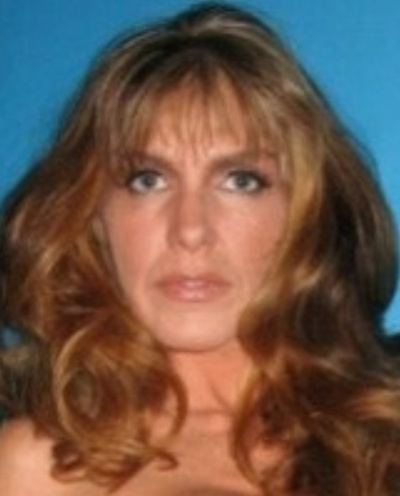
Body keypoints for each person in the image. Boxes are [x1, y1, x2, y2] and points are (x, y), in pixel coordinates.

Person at [1, 2, 400, 495]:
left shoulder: (384, 432)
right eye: (148, 180)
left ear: (305, 212)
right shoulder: (34, 469)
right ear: (93, 216)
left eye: (240, 181)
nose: (190, 230)